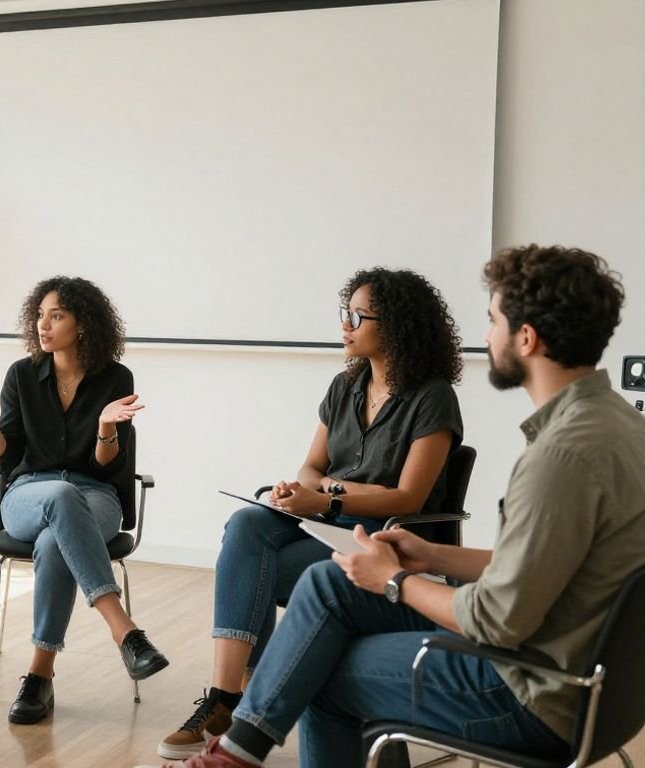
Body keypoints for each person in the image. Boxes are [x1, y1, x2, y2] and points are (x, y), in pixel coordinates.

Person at [142, 245, 644, 768]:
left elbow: (496, 619)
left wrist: (396, 581)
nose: (488, 335)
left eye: (493, 320)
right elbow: (543, 570)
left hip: (532, 692)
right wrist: (432, 557)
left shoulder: (558, 456)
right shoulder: (622, 428)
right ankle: (239, 745)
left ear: (526, 338)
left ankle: (237, 749)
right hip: (601, 688)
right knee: (323, 581)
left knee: (321, 669)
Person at [156, 268, 464, 759]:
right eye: (346, 312)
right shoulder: (346, 386)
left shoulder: (432, 398)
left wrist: (328, 497)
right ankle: (225, 696)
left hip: (378, 540)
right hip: (325, 524)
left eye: (358, 316)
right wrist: (304, 493)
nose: (346, 324)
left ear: (397, 325)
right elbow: (311, 466)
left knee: (253, 569)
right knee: (247, 523)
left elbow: (408, 497)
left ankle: (239, 704)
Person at [0, 275, 167, 725]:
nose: (44, 325)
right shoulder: (21, 375)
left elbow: (105, 467)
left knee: (54, 542)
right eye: (40, 315)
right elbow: (4, 456)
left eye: (57, 316)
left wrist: (106, 428)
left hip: (96, 496)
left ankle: (38, 677)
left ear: (82, 324)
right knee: (59, 496)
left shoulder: (115, 378)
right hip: (28, 494)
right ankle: (125, 632)